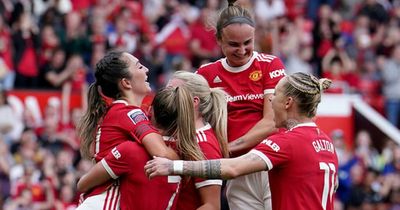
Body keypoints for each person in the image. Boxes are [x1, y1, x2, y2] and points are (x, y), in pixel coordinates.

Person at [145, 72, 339, 210]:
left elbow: (232, 169)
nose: (270, 101)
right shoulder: (327, 142)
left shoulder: (287, 142)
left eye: (276, 95)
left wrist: (174, 167)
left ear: (288, 102)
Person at [77, 71, 229, 210]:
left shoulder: (203, 143)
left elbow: (212, 206)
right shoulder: (175, 140)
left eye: (174, 91)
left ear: (194, 102)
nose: (170, 95)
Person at [195, 0, 286, 209]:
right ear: (219, 40)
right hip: (236, 171)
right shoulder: (206, 74)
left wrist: (226, 148)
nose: (243, 50)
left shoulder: (269, 64)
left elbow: (271, 122)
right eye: (234, 44)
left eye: (248, 42)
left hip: (270, 163)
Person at [76, 51, 178, 209]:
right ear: (126, 83)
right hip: (105, 201)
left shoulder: (123, 111)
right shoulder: (130, 113)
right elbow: (162, 154)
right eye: (139, 66)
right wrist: (191, 156)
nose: (146, 69)